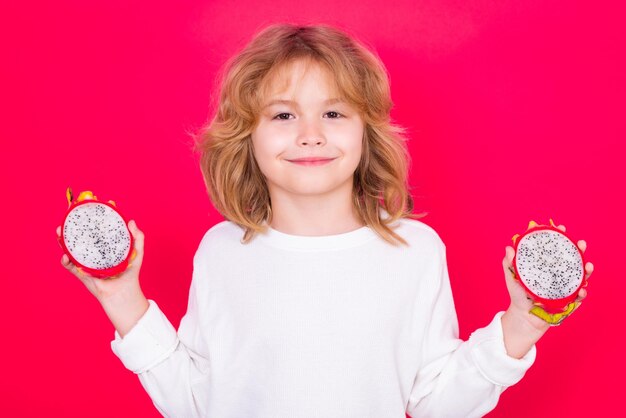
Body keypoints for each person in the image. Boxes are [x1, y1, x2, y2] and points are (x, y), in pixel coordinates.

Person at [56, 23, 593, 417]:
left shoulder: (415, 250)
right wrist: (123, 298)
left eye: (333, 113)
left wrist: (522, 325)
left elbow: (436, 404)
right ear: (248, 137)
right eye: (284, 114)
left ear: (366, 132)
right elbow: (197, 403)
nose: (310, 133)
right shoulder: (222, 250)